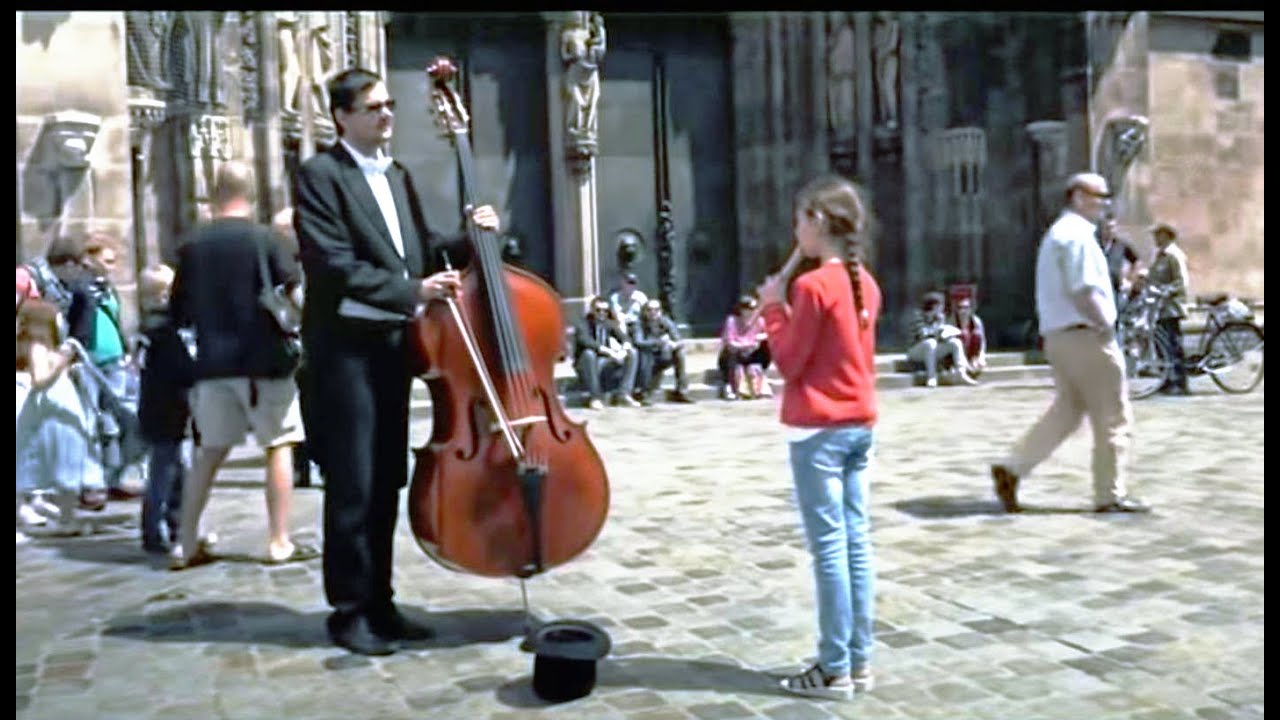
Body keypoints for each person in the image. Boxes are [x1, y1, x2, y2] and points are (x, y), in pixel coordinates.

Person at [293, 67, 501, 656]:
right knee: (353, 482)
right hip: (344, 353)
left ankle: (381, 601)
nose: (387, 115)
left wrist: (472, 236)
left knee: (386, 476)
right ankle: (349, 610)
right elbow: (332, 265)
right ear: (342, 117)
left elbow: (424, 251)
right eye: (373, 107)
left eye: (388, 105)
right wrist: (413, 291)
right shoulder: (321, 176)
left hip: (392, 350)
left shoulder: (399, 175)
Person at [755, 174, 882, 701]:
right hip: (858, 426)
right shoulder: (864, 282)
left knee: (831, 549)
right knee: (856, 547)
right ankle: (858, 659)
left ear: (819, 222)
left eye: (800, 219)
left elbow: (789, 362)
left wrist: (772, 307)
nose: (795, 230)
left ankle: (833, 668)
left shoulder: (812, 287)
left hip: (820, 432)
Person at [169, 160, 315, 571]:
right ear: (251, 194)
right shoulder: (265, 240)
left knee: (208, 453)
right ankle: (278, 540)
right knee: (278, 445)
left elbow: (177, 310)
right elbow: (294, 294)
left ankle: (185, 542)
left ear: (214, 192)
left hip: (213, 364)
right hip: (265, 360)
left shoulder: (192, 245)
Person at [991, 172, 1151, 514]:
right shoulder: (1077, 236)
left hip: (1059, 336)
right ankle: (1110, 493)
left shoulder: (1058, 234)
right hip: (1086, 334)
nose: (1105, 203)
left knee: (1067, 411)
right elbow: (1084, 289)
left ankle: (1013, 466)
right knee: (1113, 415)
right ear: (1078, 196)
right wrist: (1105, 324)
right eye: (1099, 195)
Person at [16, 299, 109, 530]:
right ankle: (63, 518)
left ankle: (67, 517)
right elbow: (39, 379)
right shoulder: (39, 347)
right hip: (51, 411)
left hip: (63, 406)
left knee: (69, 462)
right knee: (59, 462)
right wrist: (60, 360)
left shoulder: (52, 345)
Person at [135, 264, 192, 554]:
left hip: (158, 409)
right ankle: (157, 529)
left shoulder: (149, 329)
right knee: (165, 472)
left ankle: (172, 524)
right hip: (166, 410)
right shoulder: (163, 332)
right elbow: (179, 368)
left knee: (173, 469)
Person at [271, 206, 319, 488]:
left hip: (309, 340)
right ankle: (302, 465)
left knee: (312, 406)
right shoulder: (279, 263)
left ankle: (312, 462)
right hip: (289, 342)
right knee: (296, 408)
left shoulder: (308, 258)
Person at [1145, 222, 1190, 395]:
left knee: (1174, 344)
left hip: (1172, 308)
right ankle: (1167, 379)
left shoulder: (1174, 255)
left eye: (1158, 235)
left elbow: (1182, 282)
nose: (1155, 238)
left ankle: (1181, 382)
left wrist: (1166, 291)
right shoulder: (1160, 255)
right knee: (1162, 345)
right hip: (1160, 308)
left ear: (1166, 236)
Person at [572, 295, 641, 409]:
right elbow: (585, 340)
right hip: (586, 365)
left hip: (604, 362)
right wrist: (609, 351)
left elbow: (625, 338)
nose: (601, 313)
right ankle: (595, 397)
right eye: (598, 310)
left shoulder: (608, 323)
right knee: (589, 353)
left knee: (632, 352)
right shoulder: (583, 323)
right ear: (592, 310)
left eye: (605, 311)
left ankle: (624, 394)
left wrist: (623, 350)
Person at [905, 291, 977, 387]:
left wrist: (946, 333)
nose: (942, 308)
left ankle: (961, 373)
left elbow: (940, 335)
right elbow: (923, 335)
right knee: (930, 343)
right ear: (934, 306)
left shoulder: (940, 317)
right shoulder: (918, 316)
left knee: (955, 342)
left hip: (933, 349)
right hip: (916, 350)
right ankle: (931, 377)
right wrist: (936, 327)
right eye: (940, 305)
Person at [632, 298, 694, 405]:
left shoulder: (666, 322)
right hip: (646, 357)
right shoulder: (639, 324)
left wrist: (673, 344)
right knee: (645, 354)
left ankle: (681, 391)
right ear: (645, 311)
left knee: (680, 353)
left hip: (663, 355)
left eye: (656, 310)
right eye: (650, 310)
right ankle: (645, 393)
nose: (653, 313)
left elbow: (679, 340)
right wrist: (658, 342)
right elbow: (638, 342)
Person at [717, 296, 772, 400]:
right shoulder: (732, 321)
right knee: (731, 353)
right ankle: (730, 384)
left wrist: (761, 338)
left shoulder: (759, 321)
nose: (752, 312)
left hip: (752, 353)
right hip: (736, 353)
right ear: (742, 310)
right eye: (749, 309)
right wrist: (747, 345)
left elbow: (768, 334)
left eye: (754, 309)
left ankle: (760, 382)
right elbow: (729, 341)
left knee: (766, 347)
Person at [1097, 213, 1139, 313]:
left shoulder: (1121, 245)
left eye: (1112, 227)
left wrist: (1129, 280)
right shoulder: (1094, 244)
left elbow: (1137, 261)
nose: (1110, 231)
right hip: (1097, 289)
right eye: (1107, 228)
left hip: (1115, 289)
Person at [950, 296, 987, 378]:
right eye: (960, 308)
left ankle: (973, 361)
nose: (963, 311)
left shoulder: (976, 321)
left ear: (970, 309)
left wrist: (981, 356)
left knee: (976, 335)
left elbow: (982, 341)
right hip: (957, 355)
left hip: (970, 353)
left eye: (966, 308)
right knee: (961, 335)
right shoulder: (952, 321)